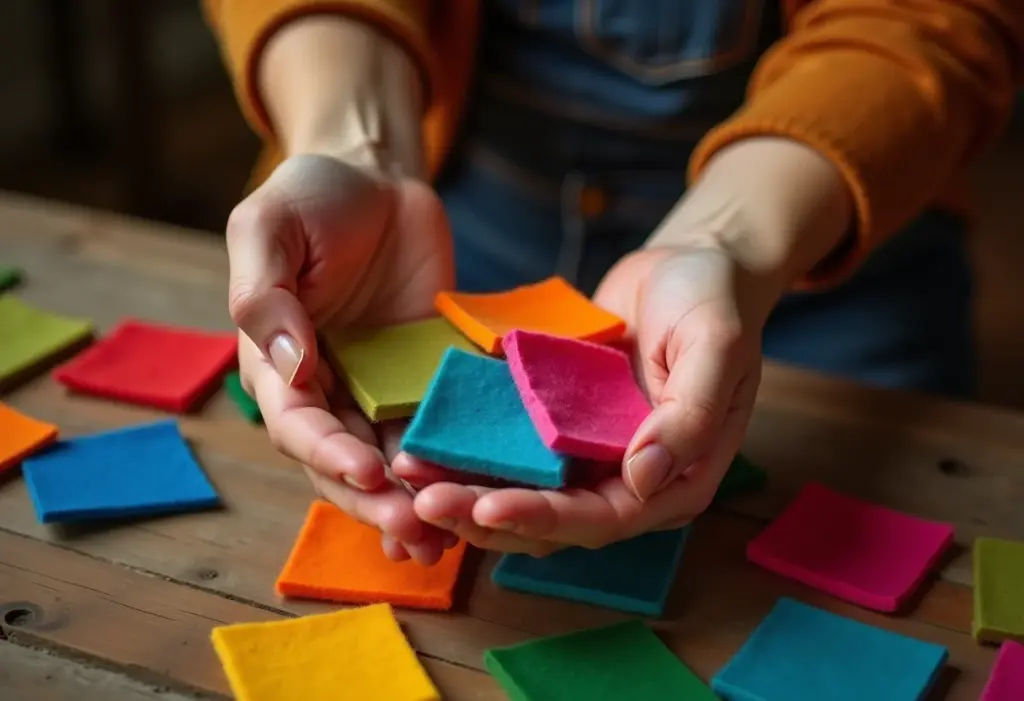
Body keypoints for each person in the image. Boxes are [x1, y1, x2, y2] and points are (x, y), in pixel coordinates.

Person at [203, 1, 1024, 565]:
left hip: (826, 254)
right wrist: (358, 145)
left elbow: (930, 20)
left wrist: (723, 240)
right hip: (434, 258)